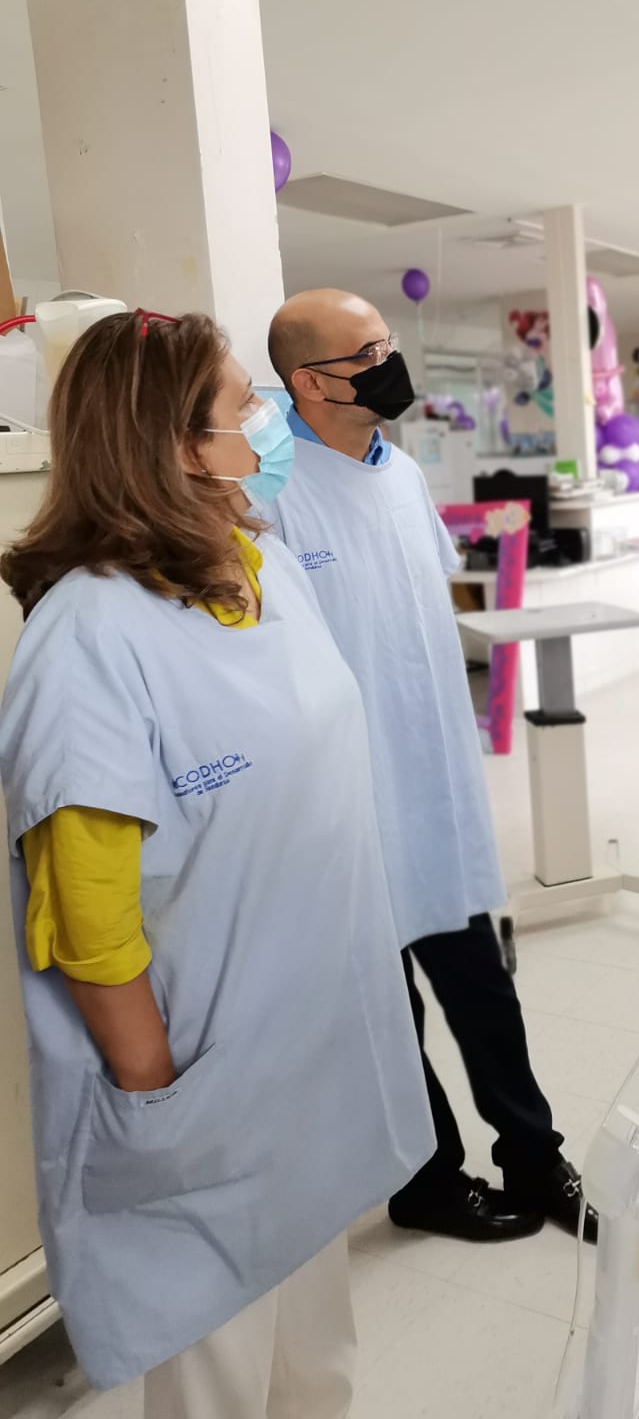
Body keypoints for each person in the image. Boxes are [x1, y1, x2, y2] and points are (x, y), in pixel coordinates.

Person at [0, 310, 433, 1415]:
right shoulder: (88, 636)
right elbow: (89, 915)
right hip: (204, 1084)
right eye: (247, 404)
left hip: (308, 1056)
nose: (270, 420)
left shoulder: (261, 565)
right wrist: (163, 1102)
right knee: (220, 1376)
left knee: (315, 1363)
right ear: (180, 445)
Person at [263, 288, 595, 1245]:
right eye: (369, 352)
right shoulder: (267, 494)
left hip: (433, 785)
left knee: (484, 990)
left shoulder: (401, 474)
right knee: (386, 1009)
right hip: (342, 800)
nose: (391, 363)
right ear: (311, 382)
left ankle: (533, 1157)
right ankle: (427, 1178)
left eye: (389, 342)